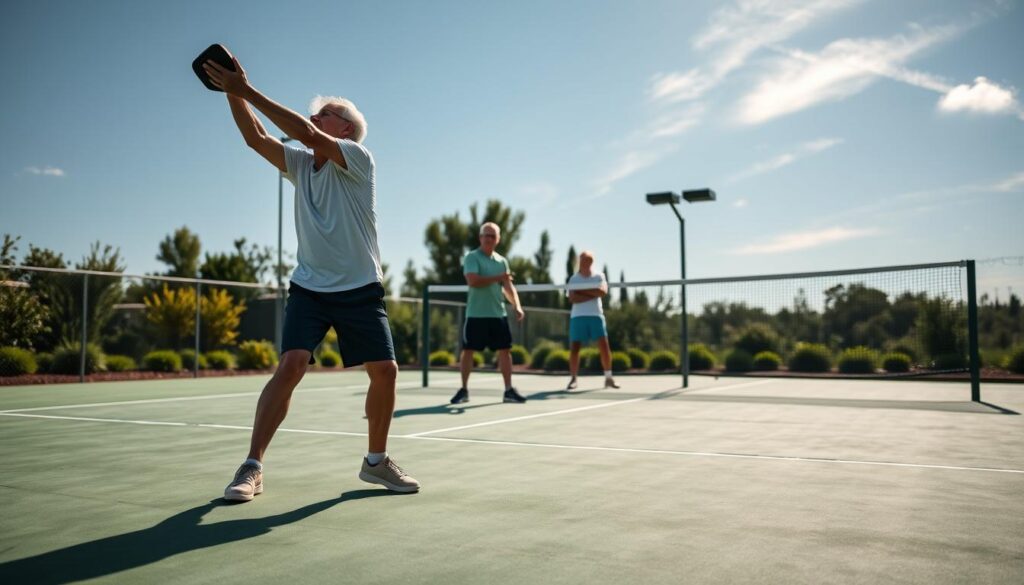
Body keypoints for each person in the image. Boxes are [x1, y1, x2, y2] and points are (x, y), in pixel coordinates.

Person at [202, 56, 418, 501]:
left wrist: (246, 89)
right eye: (315, 112)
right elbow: (255, 137)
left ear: (343, 129)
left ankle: (376, 463)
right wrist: (230, 91)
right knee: (291, 365)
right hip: (309, 287)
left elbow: (305, 132)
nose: (314, 116)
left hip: (360, 286)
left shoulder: (358, 159)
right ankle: (251, 466)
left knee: (386, 371)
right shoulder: (301, 166)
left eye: (324, 113)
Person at [449, 222, 527, 405]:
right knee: (468, 351)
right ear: (480, 237)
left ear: (498, 239)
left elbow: (508, 287)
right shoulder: (471, 257)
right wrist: (499, 278)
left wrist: (517, 305)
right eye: (486, 235)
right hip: (475, 314)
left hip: (498, 314)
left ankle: (508, 390)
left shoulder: (502, 262)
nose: (489, 239)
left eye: (493, 236)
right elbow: (473, 281)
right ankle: (464, 390)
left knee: (505, 351)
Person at [565, 251, 619, 390]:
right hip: (577, 317)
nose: (586, 262)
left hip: (596, 315)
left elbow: (602, 292)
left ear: (592, 262)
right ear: (580, 261)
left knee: (604, 346)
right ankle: (573, 379)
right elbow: (572, 298)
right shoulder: (573, 279)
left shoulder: (599, 276)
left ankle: (608, 378)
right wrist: (592, 292)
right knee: (575, 348)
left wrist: (582, 292)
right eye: (584, 260)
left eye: (589, 260)